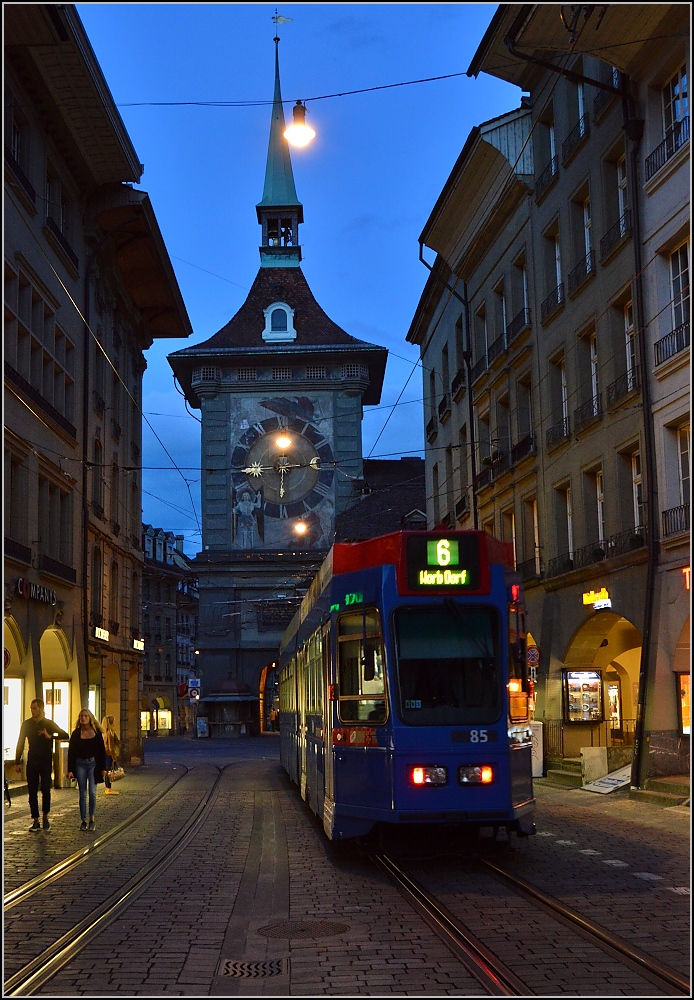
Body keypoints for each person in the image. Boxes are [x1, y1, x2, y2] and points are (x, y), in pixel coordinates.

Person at [14, 698, 69, 832]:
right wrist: (17, 761)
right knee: (32, 790)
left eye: (35, 708)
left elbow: (65, 734)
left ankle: (45, 816)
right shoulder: (27, 724)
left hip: (45, 760)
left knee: (45, 788)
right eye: (31, 708)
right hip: (32, 760)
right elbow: (20, 742)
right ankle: (35, 819)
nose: (32, 711)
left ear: (41, 709)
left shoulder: (48, 724)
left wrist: (50, 736)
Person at [67, 709, 107, 831]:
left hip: (93, 764)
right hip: (80, 764)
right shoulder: (76, 734)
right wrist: (70, 770)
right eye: (81, 716)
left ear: (90, 718)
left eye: (85, 716)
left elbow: (101, 752)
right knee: (82, 793)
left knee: (93, 792)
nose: (83, 718)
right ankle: (83, 819)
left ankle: (92, 818)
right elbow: (71, 752)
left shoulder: (96, 733)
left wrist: (103, 768)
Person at [101, 715, 121, 795]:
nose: (114, 723)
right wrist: (114, 757)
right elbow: (111, 746)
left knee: (108, 771)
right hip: (109, 754)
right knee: (108, 771)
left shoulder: (106, 732)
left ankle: (108, 788)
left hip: (107, 754)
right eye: (113, 721)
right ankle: (108, 788)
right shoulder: (110, 733)